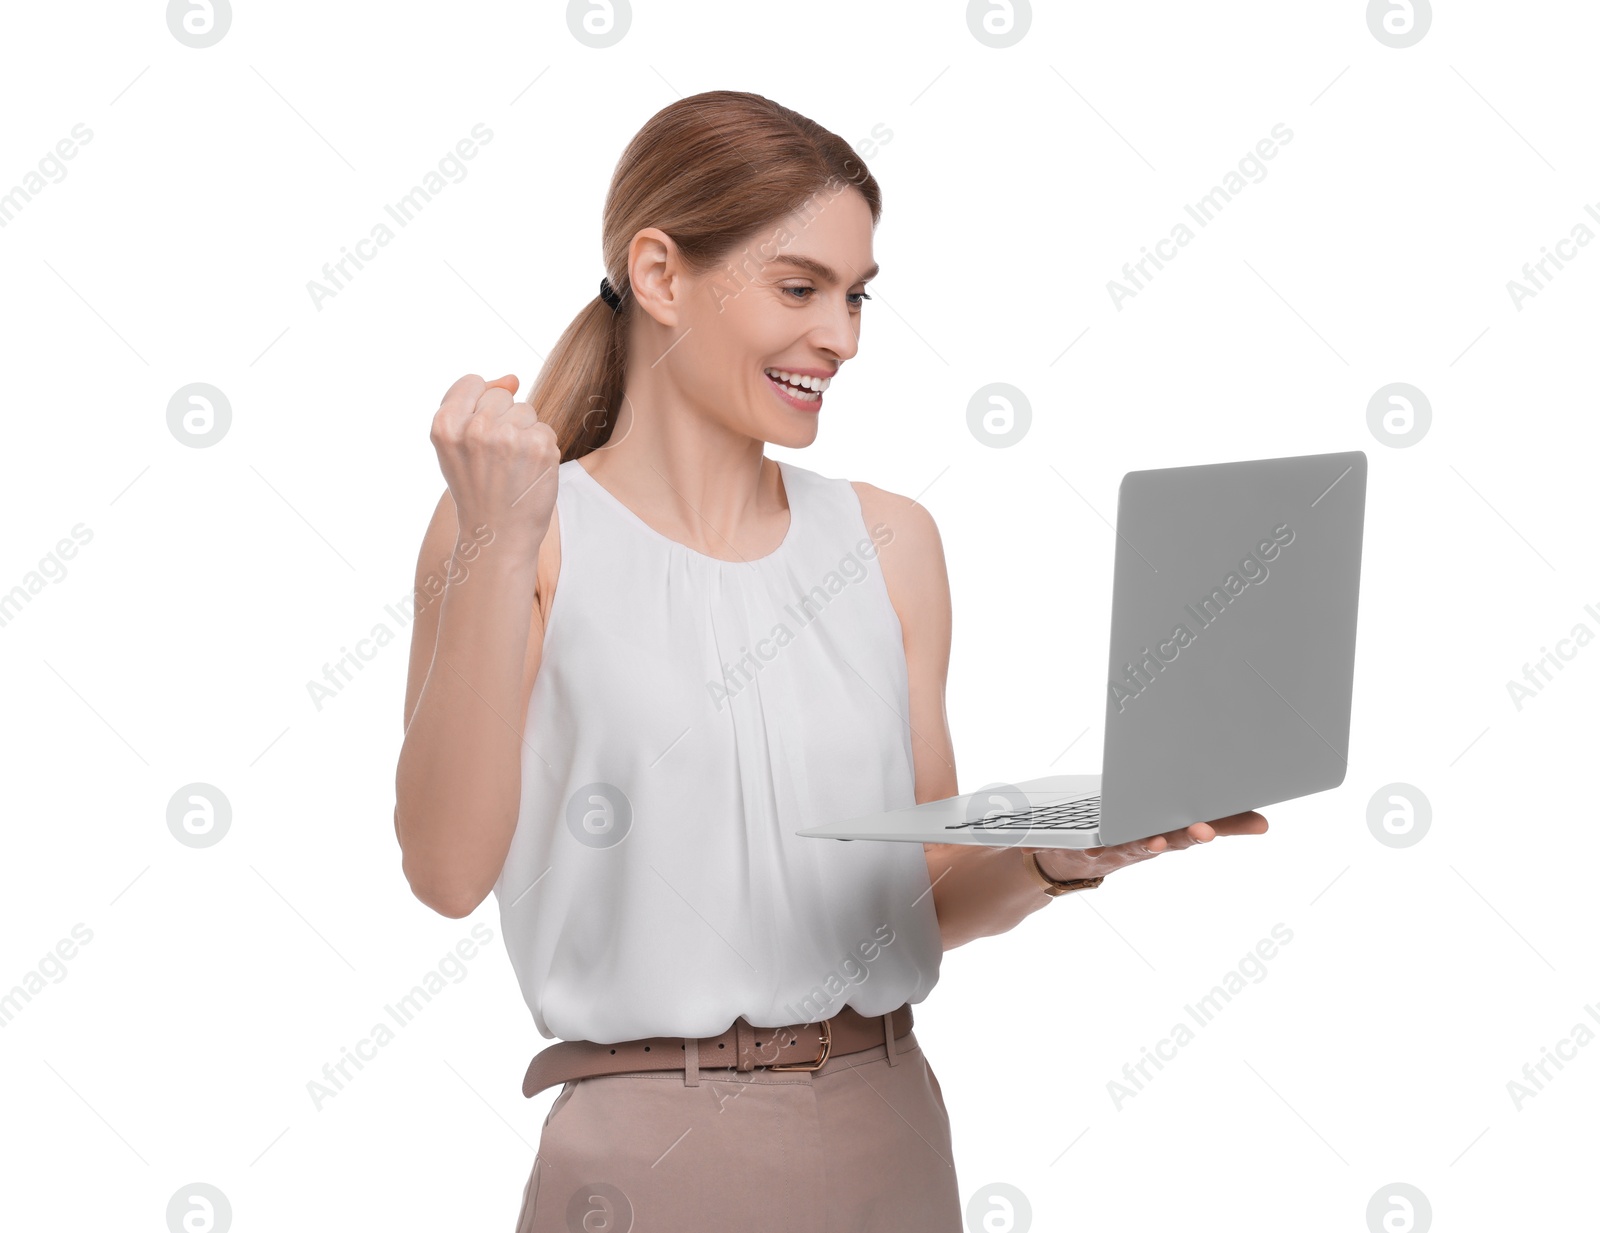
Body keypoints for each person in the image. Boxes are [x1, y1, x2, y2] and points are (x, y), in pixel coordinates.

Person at [392, 89, 1268, 1233]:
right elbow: (446, 871)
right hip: (651, 1153)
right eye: (799, 288)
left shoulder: (892, 541)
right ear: (659, 276)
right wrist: (498, 541)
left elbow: (922, 892)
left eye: (855, 297)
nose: (841, 338)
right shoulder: (516, 529)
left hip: (891, 1124)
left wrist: (1067, 856)